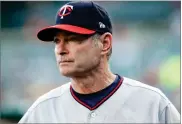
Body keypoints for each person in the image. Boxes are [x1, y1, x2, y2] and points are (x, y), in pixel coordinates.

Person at [19, 1, 180, 123]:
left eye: (73, 39)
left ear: (105, 44)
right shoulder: (41, 111)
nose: (60, 49)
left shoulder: (153, 104)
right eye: (56, 41)